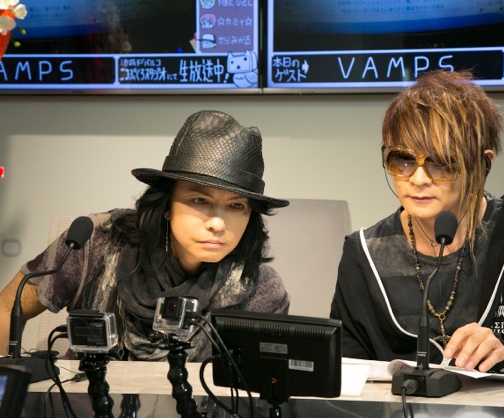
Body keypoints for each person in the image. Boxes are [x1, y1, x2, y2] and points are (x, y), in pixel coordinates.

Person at [330, 70, 504, 378]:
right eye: (403, 159)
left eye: (441, 162)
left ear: (483, 163)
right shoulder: (363, 253)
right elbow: (344, 368)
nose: (418, 179)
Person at [0, 110, 290, 361]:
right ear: (167, 206)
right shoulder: (97, 243)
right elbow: (6, 307)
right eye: (200, 200)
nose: (217, 223)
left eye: (236, 206)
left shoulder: (258, 288)